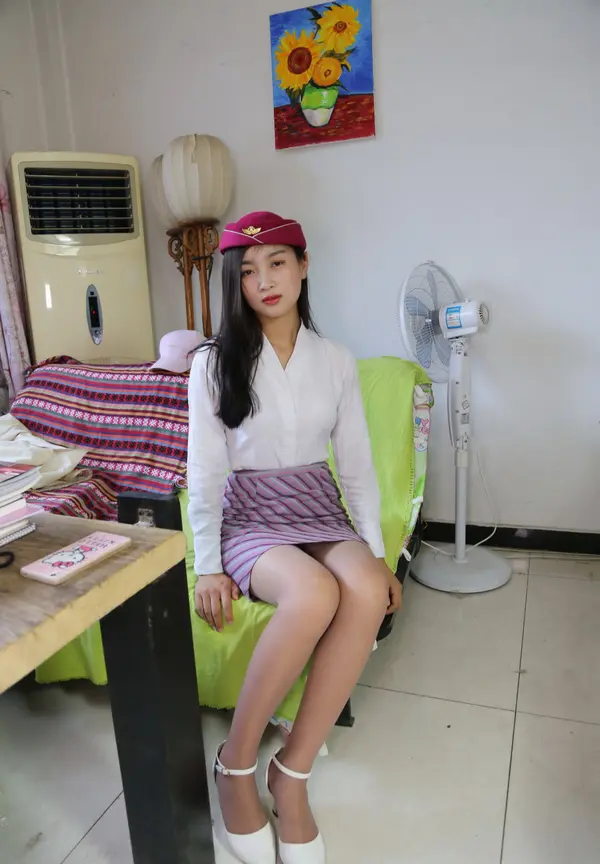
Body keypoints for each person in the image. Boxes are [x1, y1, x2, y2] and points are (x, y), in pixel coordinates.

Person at [187, 211, 402, 864]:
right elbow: (205, 471)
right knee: (312, 594)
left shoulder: (335, 360)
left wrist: (376, 553)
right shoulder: (212, 362)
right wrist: (206, 565)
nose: (264, 281)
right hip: (250, 513)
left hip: (316, 504)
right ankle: (235, 765)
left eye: (277, 263)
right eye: (247, 271)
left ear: (304, 267)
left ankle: (293, 773)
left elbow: (357, 466)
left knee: (366, 590)